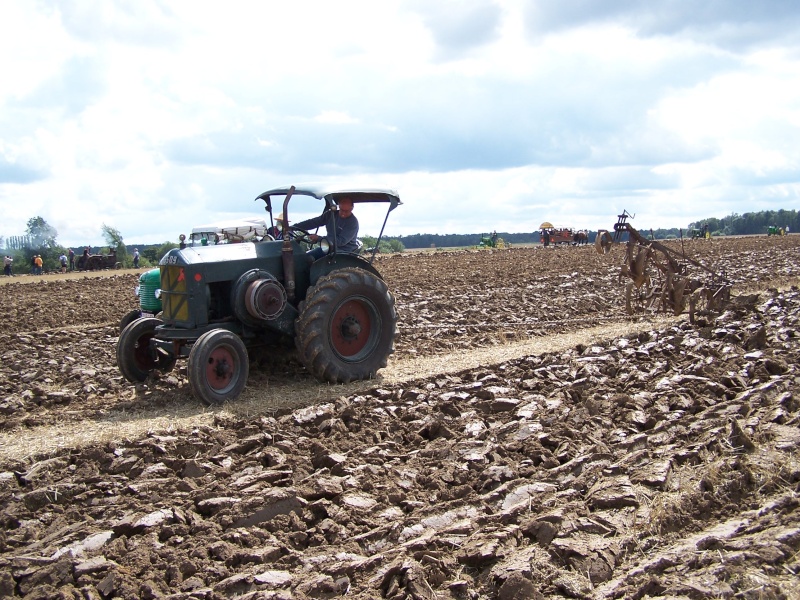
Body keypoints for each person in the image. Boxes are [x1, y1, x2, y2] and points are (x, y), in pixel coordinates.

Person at [292, 198, 359, 259]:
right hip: (329, 247)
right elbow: (314, 222)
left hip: (343, 250)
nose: (343, 214)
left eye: (346, 211)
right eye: (342, 210)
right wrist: (294, 227)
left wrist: (319, 239)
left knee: (309, 259)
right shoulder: (330, 215)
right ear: (338, 206)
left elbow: (341, 241)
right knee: (305, 257)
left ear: (352, 208)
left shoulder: (352, 223)